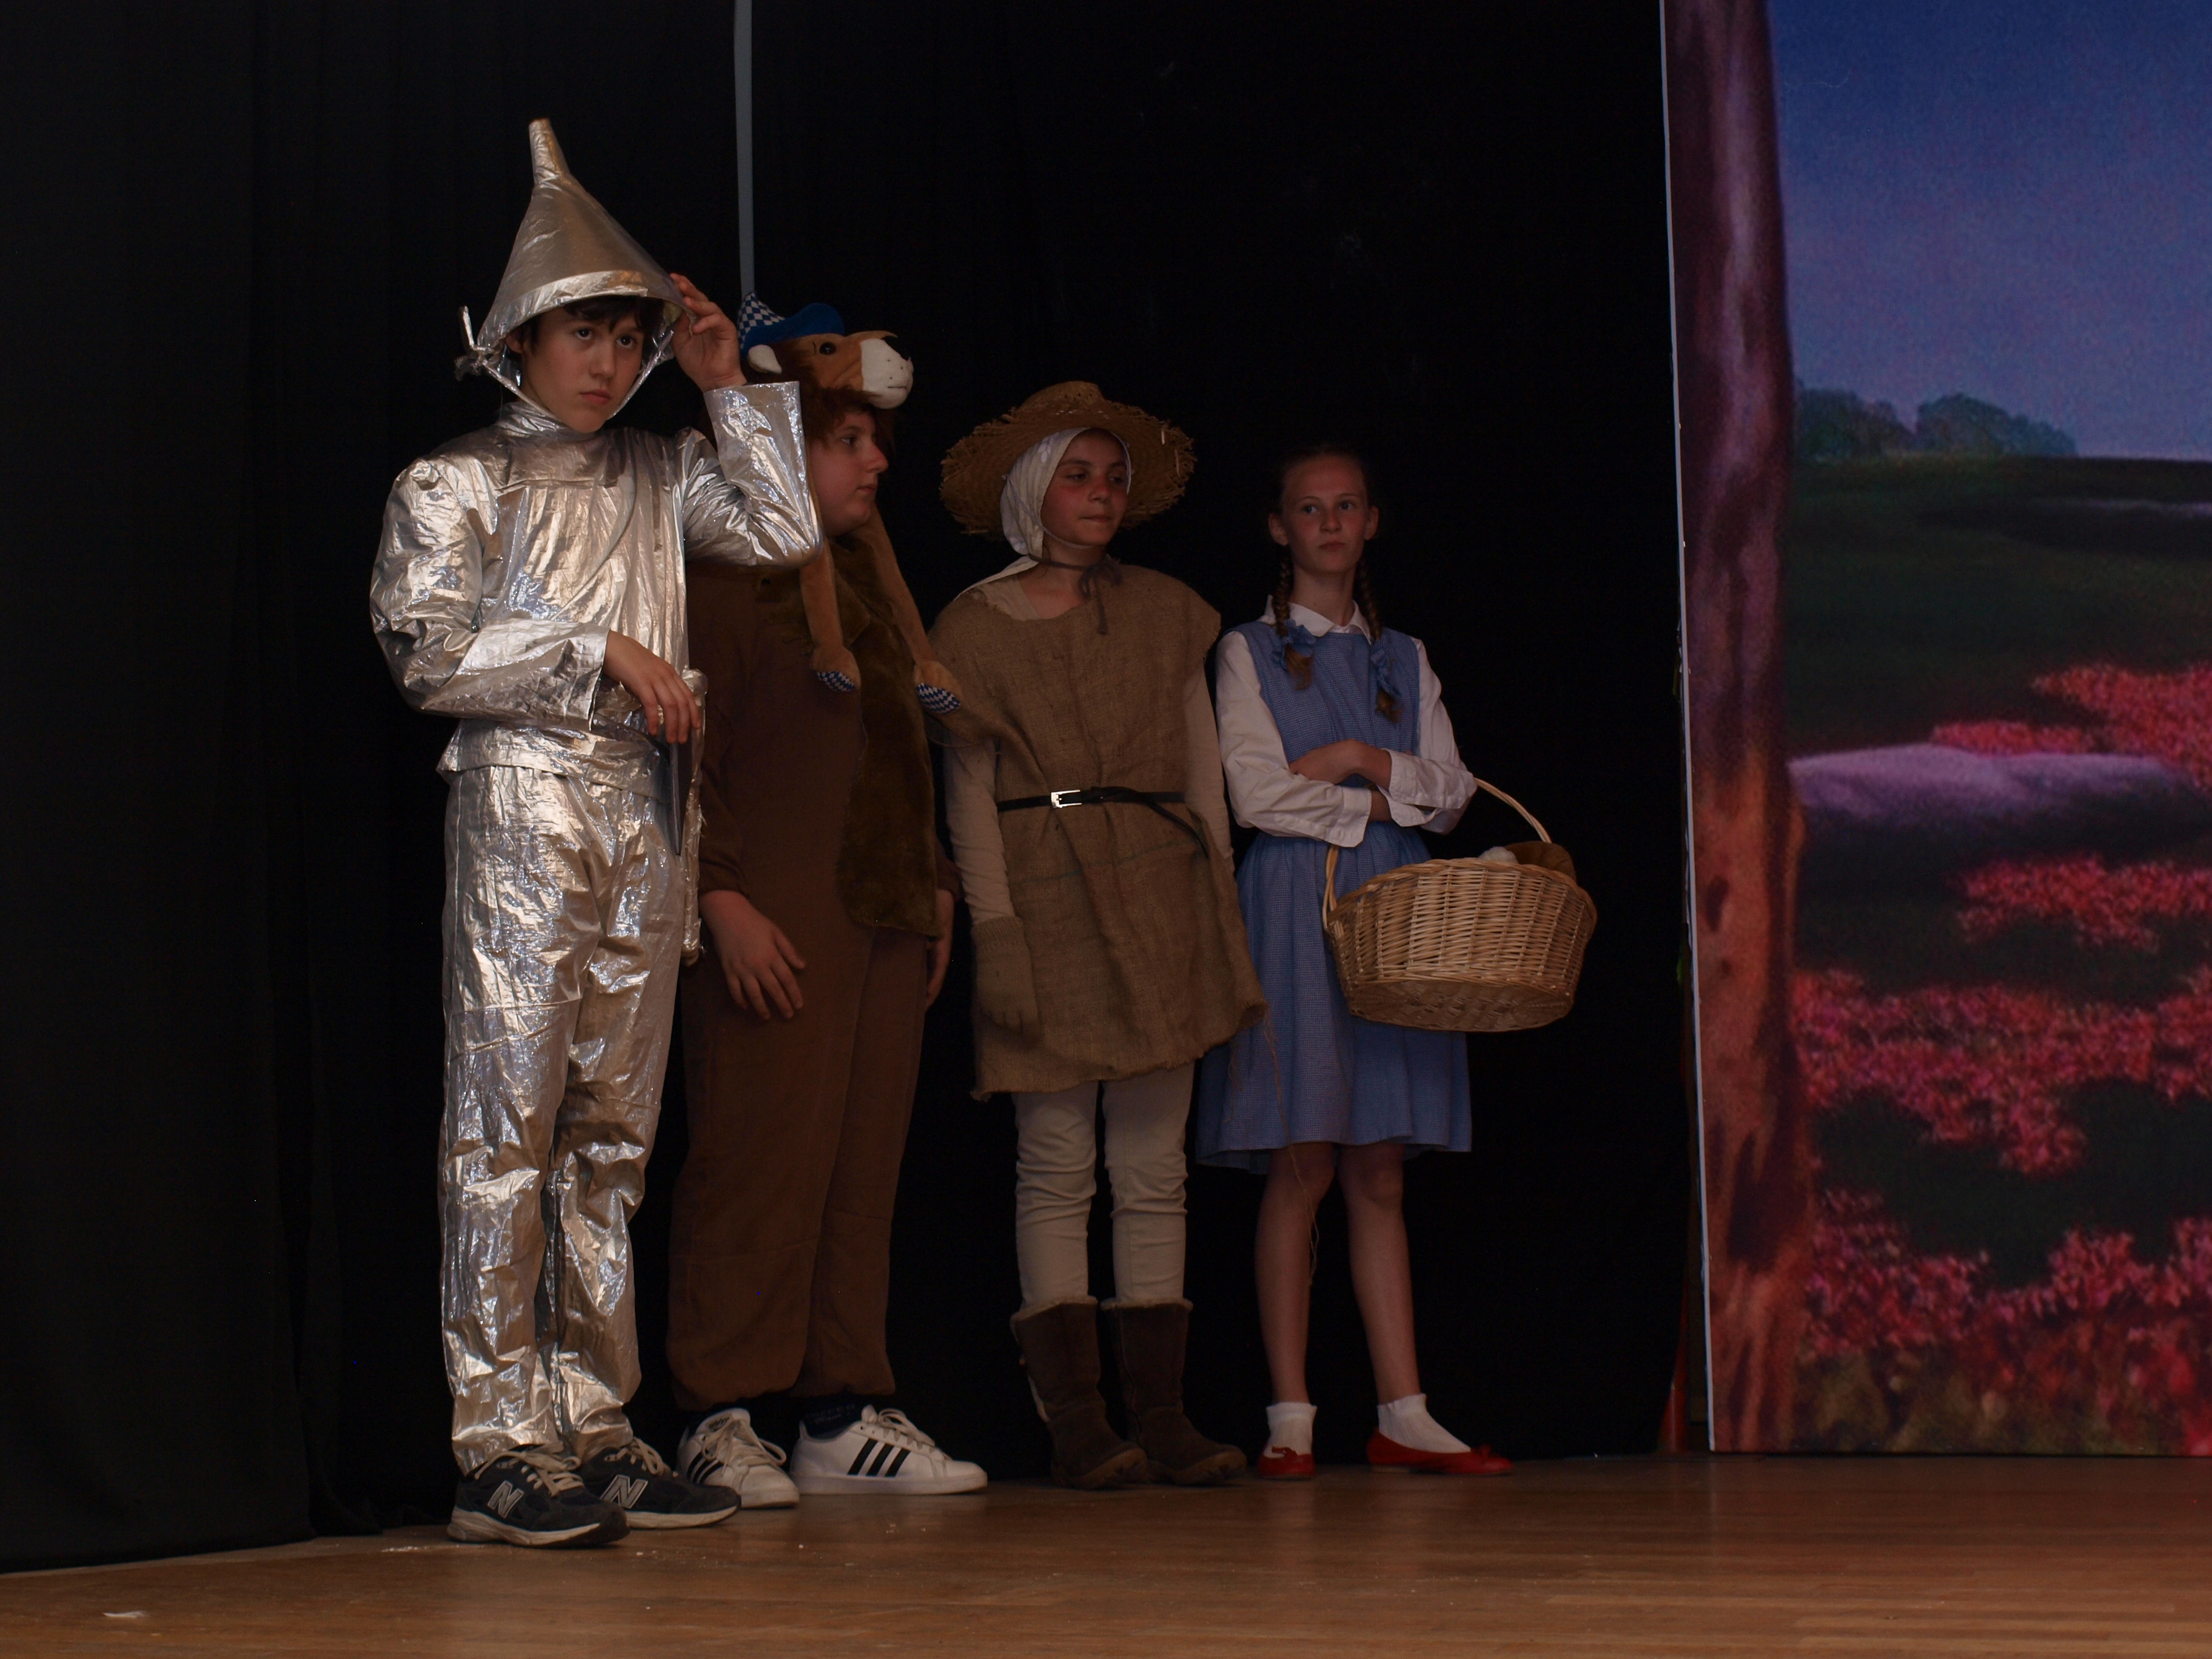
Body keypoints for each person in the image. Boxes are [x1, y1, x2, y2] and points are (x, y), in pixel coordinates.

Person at [369, 121, 822, 1547]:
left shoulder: (656, 468)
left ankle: (597, 1422)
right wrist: (594, 651)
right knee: (504, 1131)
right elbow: (425, 648)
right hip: (523, 809)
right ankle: (499, 1440)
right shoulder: (456, 481)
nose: (611, 362)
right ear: (520, 339)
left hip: (646, 820)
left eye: (631, 338)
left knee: (612, 1139)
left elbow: (784, 531)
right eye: (586, 333)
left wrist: (727, 383)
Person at [666, 298, 986, 1504]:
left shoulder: (872, 584)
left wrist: (934, 884)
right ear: (782, 447)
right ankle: (719, 1412)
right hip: (775, 917)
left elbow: (904, 745)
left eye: (874, 442)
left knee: (859, 1174)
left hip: (883, 923)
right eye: (847, 441)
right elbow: (684, 756)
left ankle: (839, 1412)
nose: (875, 462)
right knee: (759, 1162)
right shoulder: (729, 578)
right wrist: (720, 897)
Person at [930, 383, 1265, 1489]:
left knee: (1154, 1163)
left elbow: (1203, 772)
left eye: (1115, 478)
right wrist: (998, 930)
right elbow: (969, 792)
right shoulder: (971, 629)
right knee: (1057, 1159)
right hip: (1048, 895)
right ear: (1035, 490)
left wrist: (1216, 903)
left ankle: (1161, 1412)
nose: (1103, 495)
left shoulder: (1166, 611)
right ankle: (1076, 1418)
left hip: (1162, 893)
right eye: (1079, 475)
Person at [1195, 444, 1510, 1479]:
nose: (1329, 524)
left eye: (1346, 506)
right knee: (1304, 1159)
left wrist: (1357, 761)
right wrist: (1382, 802)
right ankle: (1290, 1414)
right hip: (1294, 900)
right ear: (1278, 527)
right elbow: (1256, 797)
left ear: (1371, 521)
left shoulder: (1403, 657)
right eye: (1308, 508)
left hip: (1394, 909)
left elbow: (1454, 795)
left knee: (1378, 1165)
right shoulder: (1245, 651)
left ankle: (1403, 1411)